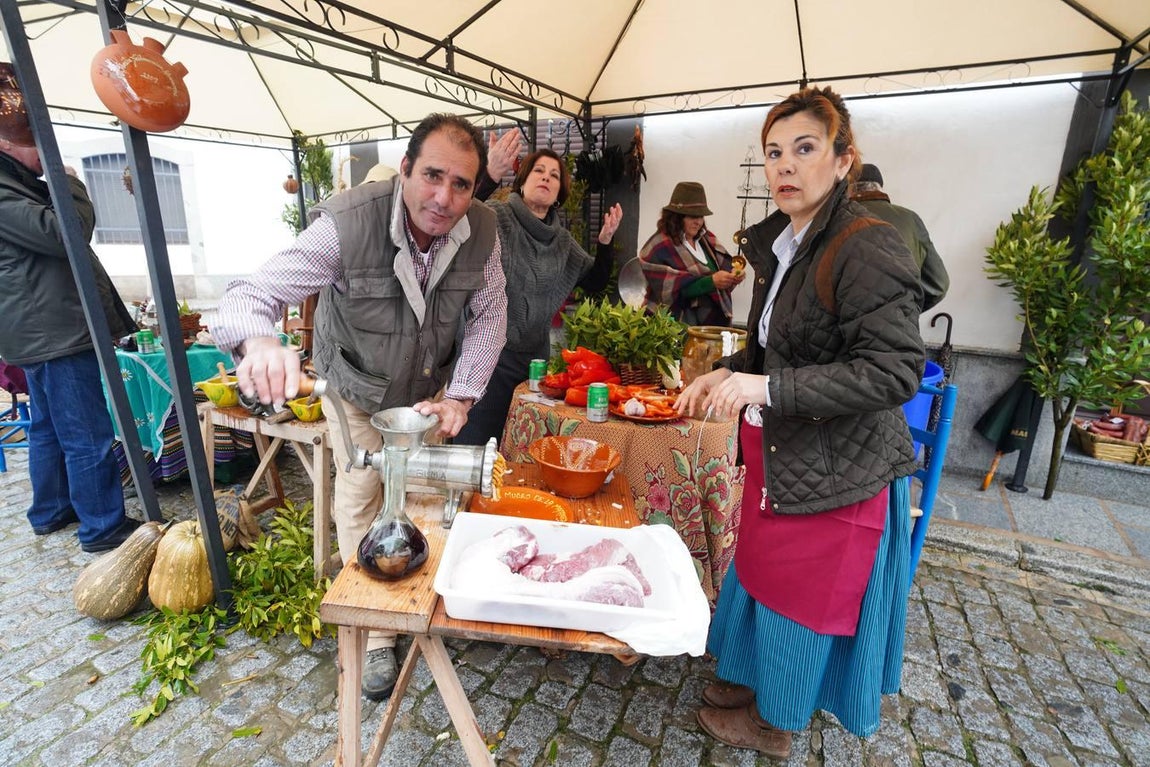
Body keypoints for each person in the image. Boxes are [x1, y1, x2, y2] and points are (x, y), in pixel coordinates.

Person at [211, 113, 508, 701]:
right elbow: (249, 295)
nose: (444, 198)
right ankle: (374, 629)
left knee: (426, 491)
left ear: (477, 188)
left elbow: (491, 316)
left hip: (429, 392)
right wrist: (263, 342)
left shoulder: (484, 230)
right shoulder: (348, 224)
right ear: (404, 170)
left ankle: (426, 592)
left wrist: (462, 393)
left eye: (462, 184)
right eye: (432, 176)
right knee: (362, 493)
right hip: (358, 390)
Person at [675, 86, 925, 758]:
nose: (786, 166)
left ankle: (775, 721)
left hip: (841, 467)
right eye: (775, 153)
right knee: (759, 574)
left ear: (845, 159)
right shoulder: (787, 243)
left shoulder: (865, 245)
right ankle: (748, 680)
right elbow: (779, 345)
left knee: (801, 600)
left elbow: (894, 372)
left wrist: (763, 384)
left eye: (805, 149)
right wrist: (730, 373)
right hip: (785, 454)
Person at [0, 62, 140, 553]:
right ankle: (103, 527)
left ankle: (50, 510)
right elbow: (68, 236)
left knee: (49, 427)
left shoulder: (13, 182)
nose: (46, 152)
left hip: (40, 331)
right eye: (37, 143)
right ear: (6, 144)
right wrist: (70, 182)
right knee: (87, 433)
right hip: (53, 333)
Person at [454, 146, 623, 445]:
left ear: (560, 192)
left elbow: (595, 281)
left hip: (535, 363)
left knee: (522, 445)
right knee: (476, 442)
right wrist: (491, 174)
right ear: (522, 180)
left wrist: (605, 242)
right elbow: (461, 215)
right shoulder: (497, 216)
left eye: (554, 175)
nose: (546, 177)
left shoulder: (562, 241)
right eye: (539, 171)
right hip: (489, 357)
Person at [639, 182, 744, 326]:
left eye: (701, 216)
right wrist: (711, 282)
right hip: (672, 326)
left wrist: (733, 276)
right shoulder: (659, 246)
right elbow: (672, 289)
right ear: (676, 217)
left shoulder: (707, 240)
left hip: (709, 325)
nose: (698, 222)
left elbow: (724, 267)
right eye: (693, 217)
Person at [851, 163, 949, 310]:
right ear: (879, 186)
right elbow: (939, 284)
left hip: (847, 327)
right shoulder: (911, 219)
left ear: (848, 187)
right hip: (901, 326)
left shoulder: (834, 221)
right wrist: (908, 311)